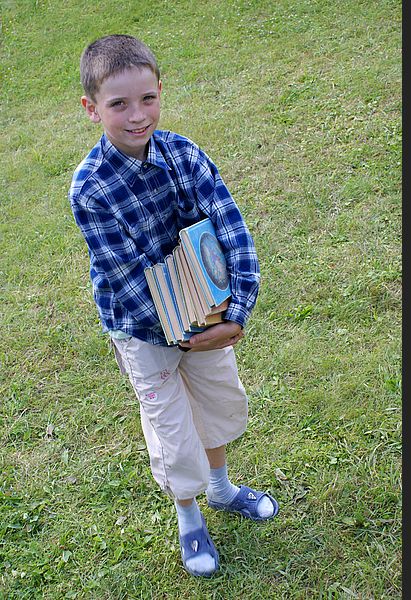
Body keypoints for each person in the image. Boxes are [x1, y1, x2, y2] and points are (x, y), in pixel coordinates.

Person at [69, 34, 278, 577]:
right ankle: (189, 517)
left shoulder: (184, 153)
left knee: (218, 401)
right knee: (171, 426)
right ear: (92, 109)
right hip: (142, 327)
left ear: (159, 91)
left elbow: (230, 223)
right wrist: (182, 333)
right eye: (119, 104)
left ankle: (223, 488)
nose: (138, 116)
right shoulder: (89, 189)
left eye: (147, 99)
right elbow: (125, 274)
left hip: (206, 317)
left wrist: (236, 312)